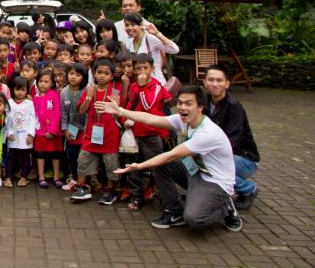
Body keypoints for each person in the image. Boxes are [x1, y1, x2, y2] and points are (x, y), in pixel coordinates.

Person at [97, 85, 242, 232]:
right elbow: (151, 119)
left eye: (189, 103)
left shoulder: (207, 133)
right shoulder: (183, 120)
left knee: (194, 218)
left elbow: (171, 155)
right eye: (180, 103)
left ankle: (225, 207)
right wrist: (120, 111)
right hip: (196, 172)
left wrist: (140, 166)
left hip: (215, 182)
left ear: (200, 107)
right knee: (160, 164)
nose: (183, 107)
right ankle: (174, 210)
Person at [204, 66, 260, 210]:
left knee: (211, 166)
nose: (214, 84)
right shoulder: (203, 102)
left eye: (219, 80)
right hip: (220, 153)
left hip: (244, 158)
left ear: (227, 84)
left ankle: (249, 189)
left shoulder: (234, 106)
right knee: (193, 162)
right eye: (210, 80)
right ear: (205, 82)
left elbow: (232, 141)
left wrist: (206, 154)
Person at [121, 53, 171, 211]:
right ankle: (136, 195)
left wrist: (142, 87)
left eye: (145, 67)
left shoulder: (156, 86)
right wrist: (125, 121)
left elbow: (148, 105)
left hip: (152, 134)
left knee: (158, 167)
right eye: (138, 68)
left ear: (152, 68)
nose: (142, 71)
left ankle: (166, 198)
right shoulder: (133, 86)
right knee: (133, 166)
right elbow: (129, 106)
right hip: (134, 134)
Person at [71, 58, 122, 204]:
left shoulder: (115, 91)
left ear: (112, 75)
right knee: (83, 160)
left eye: (106, 73)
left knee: (111, 163)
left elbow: (120, 113)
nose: (102, 76)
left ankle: (110, 190)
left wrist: (117, 105)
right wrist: (88, 96)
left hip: (110, 134)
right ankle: (82, 187)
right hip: (91, 132)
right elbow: (81, 110)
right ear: (94, 73)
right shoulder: (89, 89)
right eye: (99, 72)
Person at [122, 13, 179, 83]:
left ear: (140, 25)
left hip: (156, 83)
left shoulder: (150, 39)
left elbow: (175, 50)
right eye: (127, 25)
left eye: (133, 25)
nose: (129, 28)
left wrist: (157, 33)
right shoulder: (129, 43)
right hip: (140, 84)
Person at [61, 62, 89, 192]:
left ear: (84, 77)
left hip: (85, 128)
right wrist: (65, 128)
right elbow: (63, 112)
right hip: (71, 128)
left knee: (84, 156)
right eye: (71, 74)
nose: (73, 77)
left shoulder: (87, 90)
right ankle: (74, 179)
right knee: (71, 154)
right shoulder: (64, 91)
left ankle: (85, 181)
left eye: (78, 75)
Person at [4, 76, 36, 188]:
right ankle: (8, 178)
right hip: (13, 136)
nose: (20, 92)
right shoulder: (9, 103)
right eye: (17, 89)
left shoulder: (29, 103)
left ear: (27, 90)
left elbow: (33, 119)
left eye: (23, 89)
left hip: (25, 136)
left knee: (25, 157)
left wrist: (31, 134)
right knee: (11, 157)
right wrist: (9, 133)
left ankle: (23, 178)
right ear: (12, 89)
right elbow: (6, 119)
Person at [33, 70, 63, 188]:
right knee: (40, 154)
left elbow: (57, 113)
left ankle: (56, 177)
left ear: (51, 83)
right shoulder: (35, 97)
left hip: (52, 132)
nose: (43, 84)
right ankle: (41, 177)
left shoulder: (54, 95)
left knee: (56, 155)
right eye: (40, 81)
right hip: (39, 131)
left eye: (46, 81)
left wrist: (52, 130)